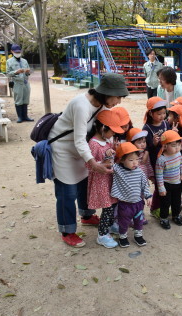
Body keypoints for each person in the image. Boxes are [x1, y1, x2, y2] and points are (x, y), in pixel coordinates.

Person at [48, 73, 128, 247]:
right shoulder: (81, 105)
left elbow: (107, 129)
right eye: (118, 97)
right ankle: (67, 230)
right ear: (107, 92)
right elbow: (78, 139)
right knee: (67, 191)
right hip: (63, 150)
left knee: (84, 184)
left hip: (82, 151)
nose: (118, 102)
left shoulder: (102, 106)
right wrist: (93, 163)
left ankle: (86, 215)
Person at [86, 110, 123, 249]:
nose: (114, 134)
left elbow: (110, 158)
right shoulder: (93, 144)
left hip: (110, 180)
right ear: (102, 128)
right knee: (107, 208)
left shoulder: (107, 141)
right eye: (112, 131)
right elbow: (88, 165)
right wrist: (102, 162)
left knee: (113, 204)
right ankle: (102, 235)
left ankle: (111, 225)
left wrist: (114, 150)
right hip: (101, 182)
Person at [112, 142, 152, 247]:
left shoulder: (139, 172)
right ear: (122, 160)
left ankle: (138, 235)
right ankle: (123, 237)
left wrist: (148, 196)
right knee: (123, 222)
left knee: (139, 221)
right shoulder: (118, 169)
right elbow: (110, 162)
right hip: (124, 204)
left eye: (137, 159)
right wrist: (113, 151)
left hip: (138, 203)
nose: (135, 163)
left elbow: (145, 185)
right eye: (131, 160)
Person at [142, 97, 170, 218]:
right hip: (155, 160)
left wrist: (172, 133)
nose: (162, 116)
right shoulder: (147, 128)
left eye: (164, 113)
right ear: (151, 113)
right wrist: (153, 143)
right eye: (159, 114)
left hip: (166, 159)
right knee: (159, 184)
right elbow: (146, 148)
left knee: (165, 183)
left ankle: (162, 206)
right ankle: (154, 208)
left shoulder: (165, 123)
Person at [155, 130, 182, 229]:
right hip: (166, 184)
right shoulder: (161, 159)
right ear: (165, 146)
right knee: (165, 203)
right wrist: (161, 188)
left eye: (179, 145)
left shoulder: (178, 154)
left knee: (177, 201)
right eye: (174, 145)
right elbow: (159, 174)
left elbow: (181, 164)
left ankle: (176, 215)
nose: (177, 147)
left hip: (177, 183)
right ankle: (164, 218)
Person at [6, 44, 32, 123]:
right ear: (12, 52)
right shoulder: (9, 61)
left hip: (25, 82)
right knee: (18, 100)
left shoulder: (24, 61)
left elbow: (29, 72)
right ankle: (20, 117)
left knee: (26, 99)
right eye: (16, 52)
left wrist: (28, 72)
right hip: (17, 82)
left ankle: (26, 116)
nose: (18, 53)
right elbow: (8, 73)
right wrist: (16, 72)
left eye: (19, 52)